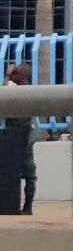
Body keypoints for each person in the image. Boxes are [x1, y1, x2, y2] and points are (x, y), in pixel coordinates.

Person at [0, 63, 36, 216]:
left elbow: (4, 94)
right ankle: (23, 206)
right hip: (15, 134)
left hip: (24, 134)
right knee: (20, 171)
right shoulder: (18, 90)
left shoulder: (24, 92)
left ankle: (28, 205)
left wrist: (7, 76)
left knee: (28, 171)